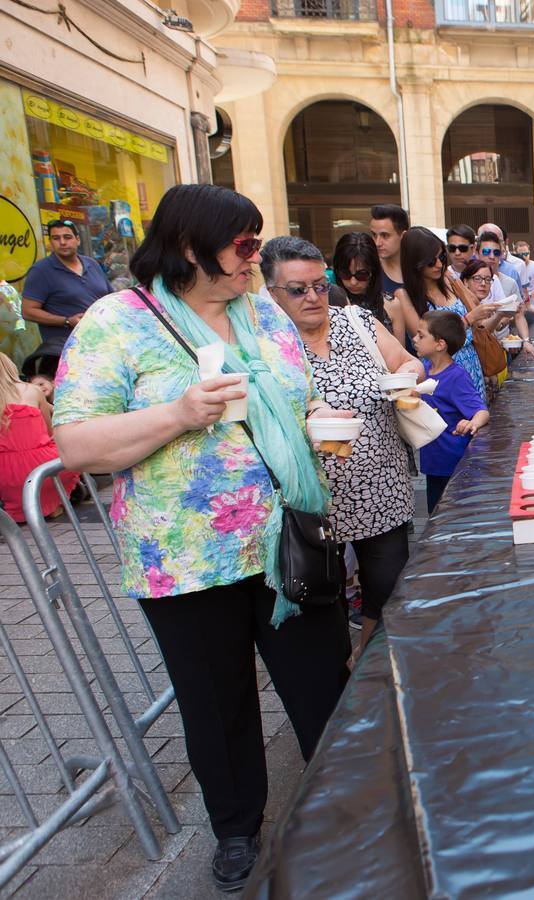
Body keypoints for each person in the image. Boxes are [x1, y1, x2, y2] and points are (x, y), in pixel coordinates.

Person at [51, 184, 352, 892]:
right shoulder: (116, 322)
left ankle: (349, 806)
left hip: (287, 542)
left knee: (325, 688)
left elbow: (301, 396)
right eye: (244, 245)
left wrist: (322, 423)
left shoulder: (261, 316)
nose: (256, 257)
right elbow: (75, 443)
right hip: (183, 559)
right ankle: (237, 829)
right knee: (217, 708)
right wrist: (180, 412)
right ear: (190, 248)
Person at [261, 237, 419, 653]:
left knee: (386, 589)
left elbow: (407, 361)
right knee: (318, 593)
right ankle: (332, 669)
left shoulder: (357, 323)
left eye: (319, 284)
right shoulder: (266, 344)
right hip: (313, 501)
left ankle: (364, 664)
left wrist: (406, 379)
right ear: (271, 292)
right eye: (298, 289)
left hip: (381, 488)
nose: (313, 296)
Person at [394, 227, 497, 400]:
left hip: (471, 363)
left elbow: (475, 308)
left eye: (442, 257)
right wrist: (467, 320)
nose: (439, 264)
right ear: (415, 262)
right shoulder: (404, 296)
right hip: (441, 372)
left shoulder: (448, 282)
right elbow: (426, 341)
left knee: (477, 420)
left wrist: (454, 280)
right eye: (430, 261)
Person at [413, 310, 488, 513]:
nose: (414, 339)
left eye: (421, 335)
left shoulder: (456, 377)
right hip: (433, 463)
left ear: (440, 344)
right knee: (434, 516)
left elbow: (481, 411)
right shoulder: (423, 371)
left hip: (453, 464)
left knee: (454, 516)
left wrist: (472, 423)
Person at [21, 219, 114, 364]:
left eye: (67, 237)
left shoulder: (92, 264)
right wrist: (66, 321)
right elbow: (28, 311)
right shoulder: (41, 271)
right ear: (51, 243)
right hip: (67, 354)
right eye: (56, 238)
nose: (62, 242)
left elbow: (110, 298)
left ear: (78, 240)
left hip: (103, 346)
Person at [0, 354, 77, 523]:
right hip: (44, 468)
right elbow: (50, 431)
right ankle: (54, 503)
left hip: (5, 475)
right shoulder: (31, 390)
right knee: (71, 454)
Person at [475, 230, 534, 362]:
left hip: (502, 350)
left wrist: (526, 341)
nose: (491, 256)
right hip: (479, 351)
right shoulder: (468, 282)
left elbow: (519, 314)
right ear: (477, 254)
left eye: (496, 252)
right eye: (486, 252)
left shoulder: (509, 282)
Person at [331, 232, 397, 333]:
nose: (353, 282)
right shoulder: (329, 305)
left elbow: (399, 348)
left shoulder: (392, 305)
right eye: (345, 274)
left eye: (361, 275)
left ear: (373, 272)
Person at [370, 204, 409, 296]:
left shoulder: (422, 269)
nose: (377, 243)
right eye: (374, 235)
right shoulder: (369, 272)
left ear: (403, 236)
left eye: (385, 235)